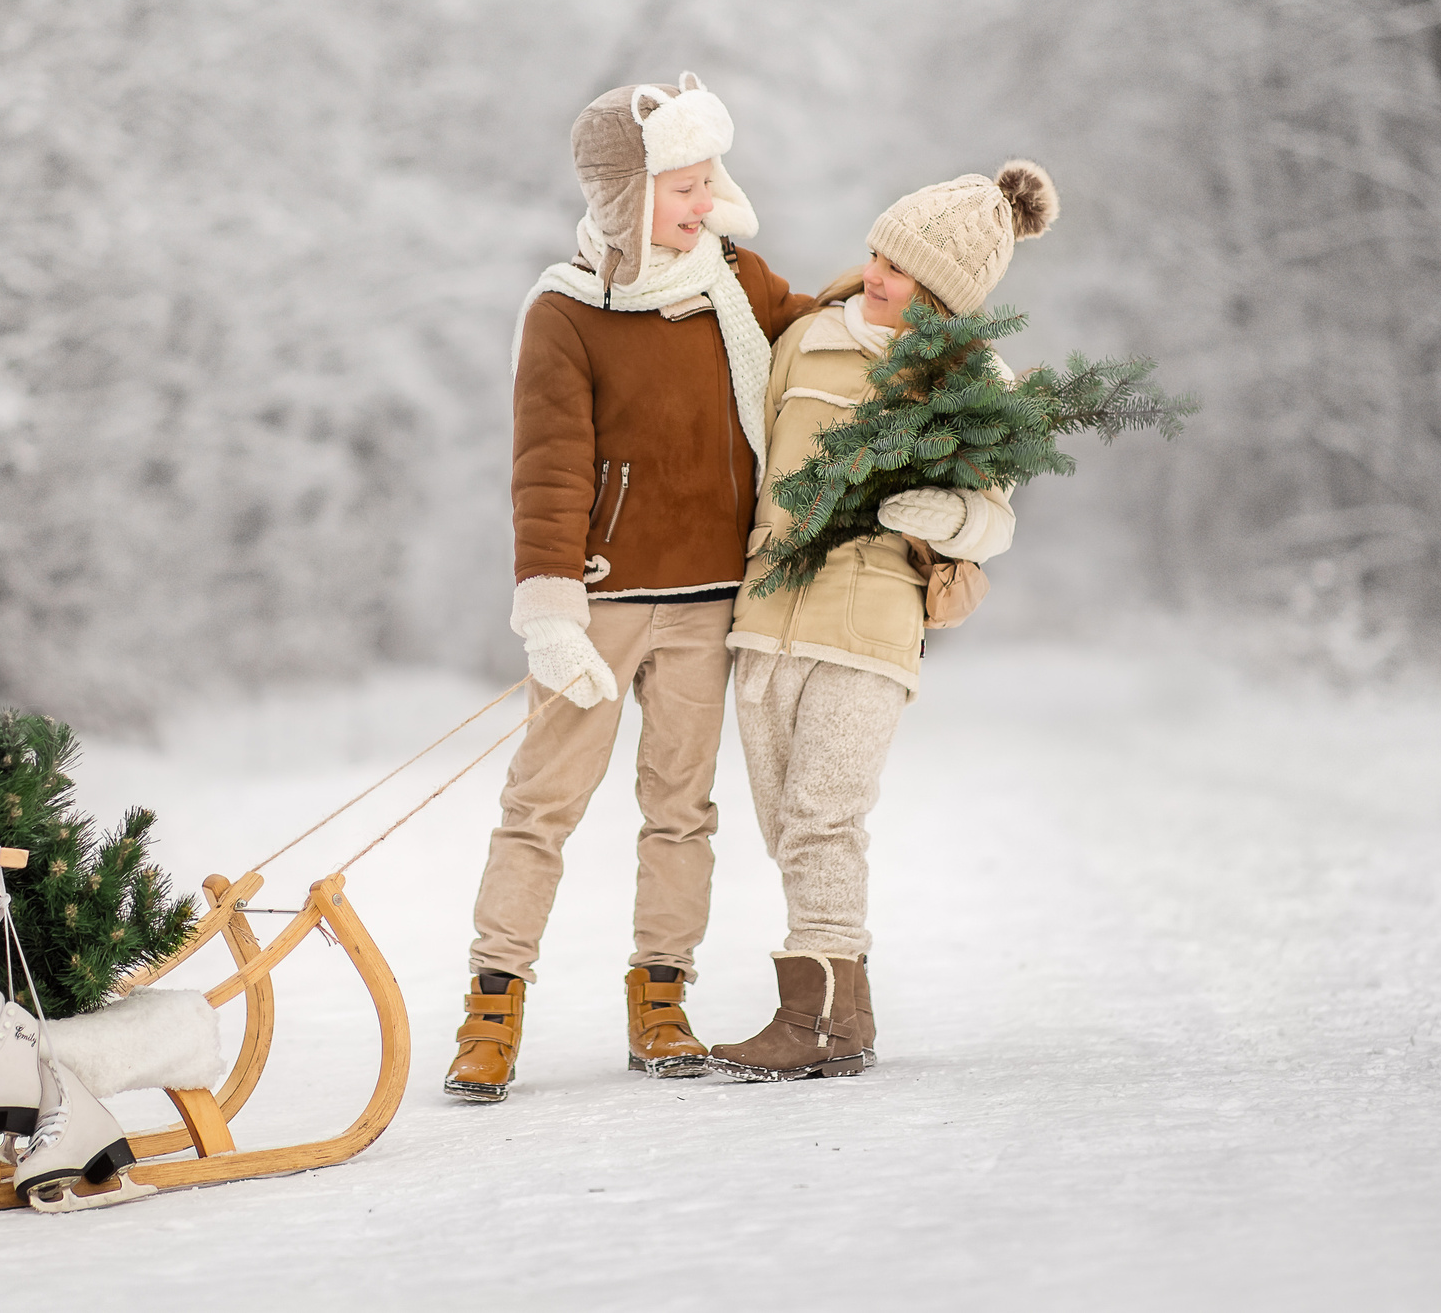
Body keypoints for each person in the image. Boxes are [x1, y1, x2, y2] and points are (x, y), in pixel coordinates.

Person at [444, 73, 822, 1103]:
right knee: (541, 806)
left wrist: (903, 304)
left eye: (709, 180)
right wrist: (549, 607)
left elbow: (815, 335)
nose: (705, 201)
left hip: (710, 601)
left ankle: (660, 996)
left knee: (681, 810)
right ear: (624, 194)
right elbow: (551, 467)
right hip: (600, 608)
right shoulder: (566, 310)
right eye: (682, 185)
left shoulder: (733, 279)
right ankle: (492, 1005)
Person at [706, 161, 1057, 1081]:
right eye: (875, 251)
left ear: (944, 296)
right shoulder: (809, 341)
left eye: (900, 268)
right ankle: (840, 1011)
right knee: (785, 822)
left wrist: (933, 514)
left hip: (867, 627)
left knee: (826, 814)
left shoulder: (975, 383)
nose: (876, 273)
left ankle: (815, 1019)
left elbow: (995, 517)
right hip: (765, 615)